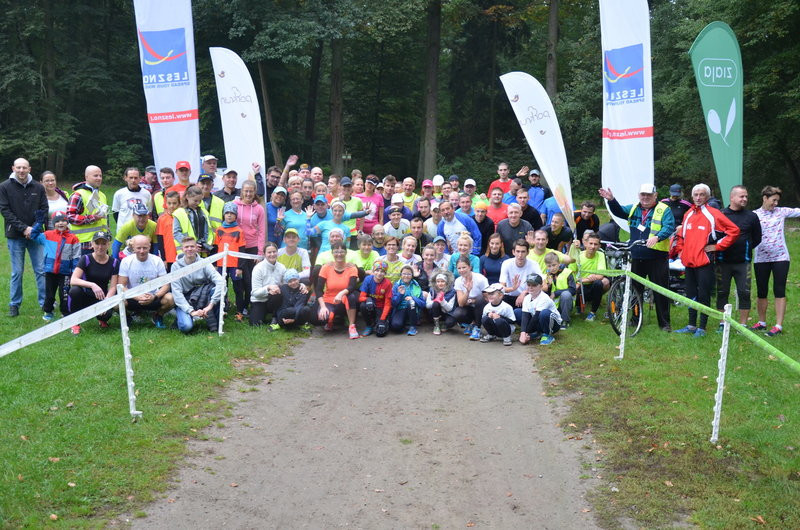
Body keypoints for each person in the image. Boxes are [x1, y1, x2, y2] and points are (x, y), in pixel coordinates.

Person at [599, 183, 676, 331]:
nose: (645, 197)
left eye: (648, 195)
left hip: (657, 256)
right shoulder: (634, 208)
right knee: (634, 290)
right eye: (643, 195)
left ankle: (664, 323)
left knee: (660, 291)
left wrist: (658, 237)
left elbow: (669, 227)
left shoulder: (664, 210)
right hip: (637, 255)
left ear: (655, 195)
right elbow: (620, 212)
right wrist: (611, 200)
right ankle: (635, 320)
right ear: (639, 195)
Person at [671, 183, 740, 337]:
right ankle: (691, 325)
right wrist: (681, 251)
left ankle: (702, 327)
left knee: (703, 294)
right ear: (691, 196)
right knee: (690, 294)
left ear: (707, 196)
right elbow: (681, 235)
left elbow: (734, 231)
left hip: (705, 263)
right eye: (695, 194)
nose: (698, 197)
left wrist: (717, 246)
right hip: (688, 262)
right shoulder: (688, 213)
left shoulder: (713, 213)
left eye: (702, 194)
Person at [0, 157, 48, 315]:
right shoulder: (4, 187)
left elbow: (43, 208)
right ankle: (14, 304)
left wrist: (33, 229)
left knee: (41, 270)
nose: (21, 170)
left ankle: (45, 303)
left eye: (24, 168)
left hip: (35, 236)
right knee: (17, 272)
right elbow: (5, 211)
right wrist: (24, 228)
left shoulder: (38, 187)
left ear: (29, 169)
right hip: (15, 236)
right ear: (13, 168)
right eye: (18, 167)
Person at [752, 185, 800, 336]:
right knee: (761, 291)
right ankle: (761, 322)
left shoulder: (782, 212)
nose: (775, 204)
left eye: (777, 201)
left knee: (779, 290)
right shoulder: (754, 215)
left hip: (780, 258)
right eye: (773, 200)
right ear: (765, 198)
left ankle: (778, 326)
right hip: (761, 258)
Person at [715, 185, 762, 329]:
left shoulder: (752, 216)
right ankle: (722, 323)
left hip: (743, 263)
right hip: (723, 262)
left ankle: (743, 325)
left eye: (746, 196)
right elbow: (714, 236)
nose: (745, 199)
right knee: (722, 292)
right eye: (742, 196)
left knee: (744, 292)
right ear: (732, 197)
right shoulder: (720, 214)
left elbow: (757, 238)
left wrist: (745, 247)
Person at [31, 211, 81, 322]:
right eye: (57, 221)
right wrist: (39, 223)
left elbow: (76, 256)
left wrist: (74, 271)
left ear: (67, 222)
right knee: (49, 293)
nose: (60, 223)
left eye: (63, 220)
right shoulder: (47, 235)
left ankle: (65, 312)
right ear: (53, 224)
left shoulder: (73, 238)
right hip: (50, 270)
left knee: (64, 293)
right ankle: (48, 311)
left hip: (65, 271)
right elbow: (33, 235)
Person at [117, 234, 174, 329]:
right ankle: (127, 317)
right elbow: (121, 286)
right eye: (138, 248)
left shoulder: (157, 260)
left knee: (171, 298)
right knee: (116, 303)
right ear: (133, 248)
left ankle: (158, 316)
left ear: (149, 247)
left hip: (152, 297)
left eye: (145, 248)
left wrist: (154, 296)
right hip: (132, 297)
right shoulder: (126, 261)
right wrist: (137, 297)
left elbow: (166, 285)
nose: (142, 251)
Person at [170, 236, 225, 334]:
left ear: (196, 248)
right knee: (186, 327)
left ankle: (214, 321)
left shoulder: (205, 262)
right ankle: (187, 316)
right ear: (182, 249)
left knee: (218, 289)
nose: (189, 249)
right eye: (186, 247)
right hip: (186, 298)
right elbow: (177, 293)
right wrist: (191, 311)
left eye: (192, 246)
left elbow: (221, 282)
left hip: (203, 296)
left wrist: (210, 305)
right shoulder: (175, 266)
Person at [67, 230, 118, 333]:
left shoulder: (114, 262)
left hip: (101, 297)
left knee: (106, 314)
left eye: (103, 243)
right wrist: (92, 285)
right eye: (97, 243)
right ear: (92, 244)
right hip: (85, 296)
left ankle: (101, 319)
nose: (100, 247)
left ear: (108, 244)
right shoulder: (85, 259)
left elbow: (113, 286)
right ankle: (75, 322)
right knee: (74, 291)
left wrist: (106, 302)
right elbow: (73, 280)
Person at [315, 243, 360, 339]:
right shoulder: (326, 267)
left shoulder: (351, 268)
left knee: (351, 296)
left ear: (346, 253)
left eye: (341, 251)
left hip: (343, 300)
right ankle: (331, 320)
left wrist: (341, 293)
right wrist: (322, 307)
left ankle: (352, 326)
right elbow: (318, 289)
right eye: (336, 251)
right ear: (332, 253)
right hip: (328, 300)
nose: (339, 254)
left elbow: (352, 286)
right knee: (323, 318)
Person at [233, 180, 265, 313]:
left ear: (254, 192)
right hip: (237, 246)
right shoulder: (234, 205)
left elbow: (262, 231)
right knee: (238, 279)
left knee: (250, 279)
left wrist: (260, 252)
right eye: (246, 191)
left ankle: (249, 304)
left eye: (251, 191)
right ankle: (240, 306)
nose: (248, 193)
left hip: (252, 247)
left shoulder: (259, 208)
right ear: (241, 192)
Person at [67, 164, 110, 255]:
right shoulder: (78, 195)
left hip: (101, 243)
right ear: (86, 177)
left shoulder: (102, 195)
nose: (99, 178)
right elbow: (70, 217)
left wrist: (108, 236)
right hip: (84, 244)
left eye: (100, 175)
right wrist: (92, 218)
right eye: (95, 175)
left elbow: (106, 220)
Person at [215, 201, 247, 319]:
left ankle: (240, 311)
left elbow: (242, 250)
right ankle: (223, 308)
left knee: (238, 288)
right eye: (227, 213)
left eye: (232, 213)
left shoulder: (239, 231)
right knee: (222, 286)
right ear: (223, 214)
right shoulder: (219, 230)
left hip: (234, 264)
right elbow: (215, 247)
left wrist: (240, 267)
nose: (229, 215)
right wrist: (215, 264)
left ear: (235, 215)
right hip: (221, 263)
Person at [569, 232, 609, 321]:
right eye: (591, 243)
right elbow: (570, 273)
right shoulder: (578, 255)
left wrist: (585, 279)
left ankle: (592, 313)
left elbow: (600, 275)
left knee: (600, 282)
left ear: (599, 246)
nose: (593, 246)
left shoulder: (601, 255)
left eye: (595, 244)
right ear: (585, 243)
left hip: (591, 284)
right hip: (579, 286)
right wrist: (579, 282)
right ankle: (579, 307)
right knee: (575, 288)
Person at [499, 239, 541, 322]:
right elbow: (501, 288)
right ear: (513, 252)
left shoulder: (534, 264)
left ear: (527, 253)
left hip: (527, 297)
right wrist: (512, 288)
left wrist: (524, 292)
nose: (520, 255)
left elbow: (543, 286)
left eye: (523, 252)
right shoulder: (506, 263)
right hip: (509, 296)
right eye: (517, 251)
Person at [249, 242, 287, 327]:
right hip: (259, 300)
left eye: (274, 252)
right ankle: (265, 314)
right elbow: (255, 292)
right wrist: (268, 288)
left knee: (277, 296)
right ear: (264, 254)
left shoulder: (282, 267)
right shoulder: (258, 268)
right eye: (269, 252)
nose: (272, 254)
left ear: (277, 252)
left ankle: (275, 317)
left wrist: (278, 289)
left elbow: (286, 285)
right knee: (255, 324)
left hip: (275, 298)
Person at [453, 256, 489, 340]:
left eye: (464, 267)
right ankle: (471, 324)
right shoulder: (458, 281)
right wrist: (467, 291)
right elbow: (461, 303)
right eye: (459, 268)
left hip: (481, 307)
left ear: (470, 267)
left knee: (480, 299)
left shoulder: (480, 278)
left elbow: (487, 298)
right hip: (468, 307)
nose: (462, 270)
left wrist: (472, 300)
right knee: (457, 313)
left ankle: (477, 327)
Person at [519, 273, 561, 346]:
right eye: (528, 285)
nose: (530, 287)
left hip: (554, 323)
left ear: (541, 286)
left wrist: (526, 332)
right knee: (517, 312)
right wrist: (523, 333)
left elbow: (536, 316)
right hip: (539, 320)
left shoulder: (544, 298)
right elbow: (525, 316)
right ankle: (537, 333)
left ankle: (547, 335)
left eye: (534, 285)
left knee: (544, 313)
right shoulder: (526, 298)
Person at [172, 185, 213, 257]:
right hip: (186, 253)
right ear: (187, 197)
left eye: (200, 201)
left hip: (202, 253)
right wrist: (191, 245)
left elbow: (208, 231)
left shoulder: (204, 212)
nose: (198, 203)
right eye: (195, 200)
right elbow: (176, 233)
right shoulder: (179, 213)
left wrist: (206, 245)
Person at [359, 260, 393, 337]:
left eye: (382, 271)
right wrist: (367, 299)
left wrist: (382, 319)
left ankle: (379, 322)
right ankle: (369, 326)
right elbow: (361, 298)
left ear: (385, 273)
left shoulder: (387, 283)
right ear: (373, 271)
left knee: (380, 333)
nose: (379, 273)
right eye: (377, 270)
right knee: (363, 305)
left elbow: (388, 304)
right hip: (371, 305)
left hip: (381, 308)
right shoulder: (368, 279)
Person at [543, 251, 575, 329]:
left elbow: (573, 290)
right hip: (553, 304)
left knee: (566, 294)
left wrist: (556, 293)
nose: (552, 268)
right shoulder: (546, 275)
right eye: (549, 266)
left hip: (566, 303)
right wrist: (549, 286)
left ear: (559, 263)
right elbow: (546, 293)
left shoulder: (568, 272)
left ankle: (565, 320)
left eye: (554, 265)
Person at [390, 264, 425, 335]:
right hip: (400, 309)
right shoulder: (396, 285)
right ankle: (405, 324)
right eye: (404, 274)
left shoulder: (416, 285)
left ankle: (413, 327)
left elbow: (423, 304)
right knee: (396, 326)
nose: (406, 276)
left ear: (412, 275)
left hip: (413, 310)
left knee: (411, 302)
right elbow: (393, 303)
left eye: (409, 274)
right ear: (401, 274)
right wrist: (400, 294)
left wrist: (413, 298)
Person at [426, 269, 457, 335]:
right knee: (436, 303)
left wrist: (442, 300)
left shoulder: (452, 292)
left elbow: (450, 308)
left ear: (446, 282)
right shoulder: (432, 290)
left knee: (450, 323)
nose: (440, 283)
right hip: (435, 312)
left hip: (447, 313)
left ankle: (443, 323)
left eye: (442, 281)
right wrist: (436, 301)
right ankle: (436, 325)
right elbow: (427, 305)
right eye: (438, 281)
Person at [156, 191, 180, 272]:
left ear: (179, 204)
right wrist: (163, 259)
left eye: (174, 203)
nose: (171, 206)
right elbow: (160, 240)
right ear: (165, 204)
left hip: (181, 255)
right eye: (169, 203)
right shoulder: (162, 219)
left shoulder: (183, 216)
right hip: (169, 257)